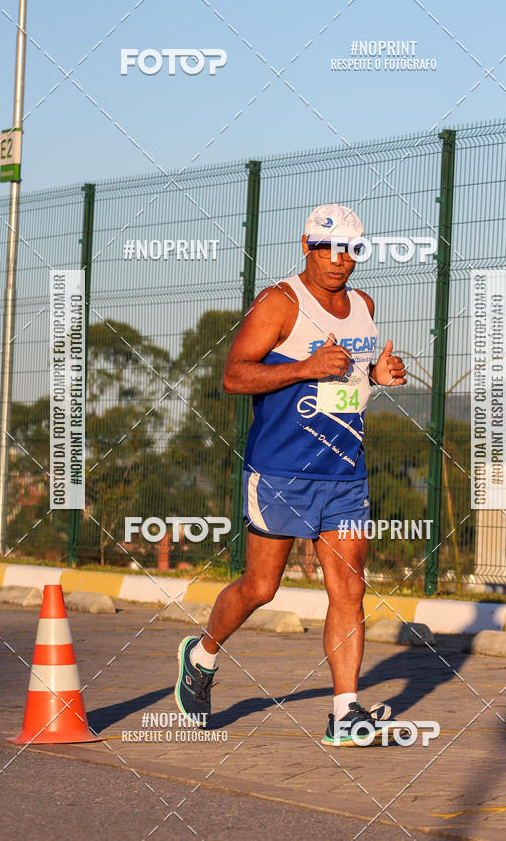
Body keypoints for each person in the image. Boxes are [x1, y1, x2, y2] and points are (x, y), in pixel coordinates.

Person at [175, 204, 407, 745]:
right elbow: (234, 376)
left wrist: (377, 373)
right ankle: (203, 654)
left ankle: (344, 714)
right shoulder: (280, 303)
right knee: (261, 588)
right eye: (326, 247)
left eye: (349, 249)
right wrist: (303, 367)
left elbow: (348, 381)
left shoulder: (364, 306)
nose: (337, 259)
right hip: (282, 470)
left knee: (348, 591)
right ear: (305, 246)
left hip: (345, 472)